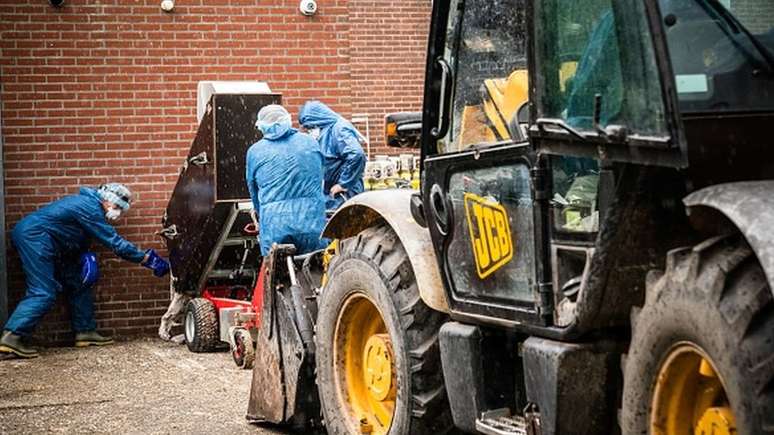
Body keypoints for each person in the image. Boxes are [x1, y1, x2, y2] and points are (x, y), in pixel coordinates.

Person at [0, 183, 170, 359]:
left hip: (51, 243)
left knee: (79, 283)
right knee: (43, 291)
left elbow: (72, 233)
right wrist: (144, 258)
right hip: (36, 239)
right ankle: (11, 338)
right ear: (107, 200)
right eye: (118, 206)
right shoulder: (89, 207)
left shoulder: (90, 206)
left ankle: (85, 332)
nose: (118, 212)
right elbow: (114, 242)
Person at [246, 104, 328, 256]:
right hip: (312, 222)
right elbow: (321, 176)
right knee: (318, 270)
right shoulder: (310, 143)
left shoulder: (255, 151)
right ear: (288, 120)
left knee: (278, 274)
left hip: (275, 226)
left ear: (262, 126)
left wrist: (260, 214)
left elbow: (253, 189)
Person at [298, 101, 367, 210]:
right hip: (333, 192)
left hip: (344, 193)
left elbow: (356, 154)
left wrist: (343, 184)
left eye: (310, 126)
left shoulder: (339, 129)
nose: (309, 130)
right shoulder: (327, 131)